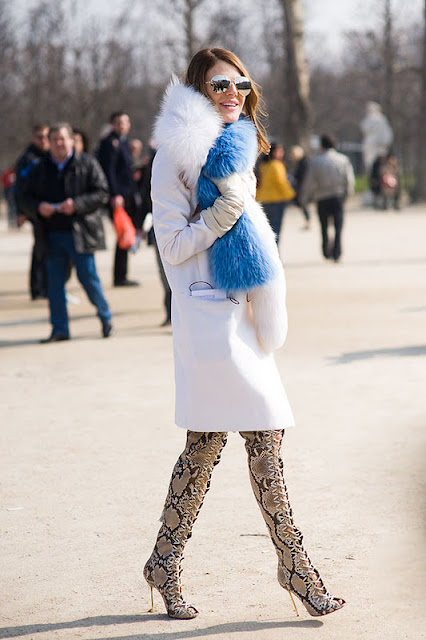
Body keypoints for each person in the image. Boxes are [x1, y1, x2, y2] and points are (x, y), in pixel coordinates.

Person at [143, 48, 345, 620]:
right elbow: (172, 246)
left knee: (231, 444)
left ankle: (167, 562)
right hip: (208, 323)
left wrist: (232, 210)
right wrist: (219, 216)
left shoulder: (239, 149)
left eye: (241, 83)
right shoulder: (174, 155)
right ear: (197, 90)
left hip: (244, 319)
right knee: (236, 440)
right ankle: (293, 568)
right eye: (220, 84)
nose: (234, 92)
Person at [20, 122, 113, 342]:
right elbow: (23, 198)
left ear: (72, 140)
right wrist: (38, 208)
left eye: (62, 139)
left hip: (80, 234)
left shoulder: (87, 164)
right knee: (54, 284)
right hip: (51, 235)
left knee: (88, 278)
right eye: (54, 140)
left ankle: (105, 317)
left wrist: (77, 205)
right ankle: (59, 329)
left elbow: (102, 193)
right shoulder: (39, 168)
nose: (58, 144)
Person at [97, 111, 141, 287]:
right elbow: (109, 171)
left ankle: (121, 275)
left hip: (126, 194)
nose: (122, 125)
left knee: (125, 234)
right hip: (119, 197)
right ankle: (119, 276)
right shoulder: (109, 143)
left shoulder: (123, 142)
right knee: (123, 234)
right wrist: (114, 194)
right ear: (112, 125)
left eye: (125, 122)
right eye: (119, 122)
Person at [300, 134, 354, 262]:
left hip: (322, 197)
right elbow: (349, 180)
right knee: (338, 226)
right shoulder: (343, 160)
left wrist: (304, 198)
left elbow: (309, 182)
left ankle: (326, 249)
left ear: (321, 146)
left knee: (324, 226)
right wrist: (347, 195)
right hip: (337, 196)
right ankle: (337, 251)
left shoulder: (316, 161)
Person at [15, 123, 50, 300]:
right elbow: (19, 187)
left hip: (46, 207)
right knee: (40, 248)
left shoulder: (48, 156)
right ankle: (37, 288)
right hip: (34, 208)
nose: (43, 140)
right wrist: (21, 211)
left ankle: (45, 286)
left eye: (46, 136)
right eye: (39, 137)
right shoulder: (28, 158)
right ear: (33, 138)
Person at [256, 142, 295, 244]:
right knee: (276, 230)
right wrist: (291, 195)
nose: (282, 153)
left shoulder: (263, 165)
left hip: (263, 199)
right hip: (276, 200)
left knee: (266, 229)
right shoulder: (277, 165)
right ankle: (274, 250)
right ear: (274, 152)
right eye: (280, 151)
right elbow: (281, 183)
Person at [289, 145, 311, 229]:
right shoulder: (302, 162)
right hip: (303, 186)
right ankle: (307, 221)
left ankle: (308, 221)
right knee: (303, 205)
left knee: (303, 204)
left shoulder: (304, 163)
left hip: (304, 187)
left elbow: (302, 176)